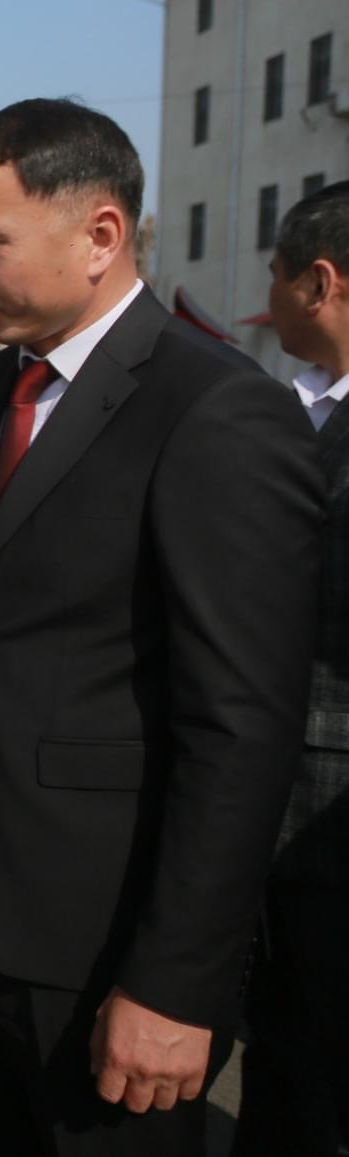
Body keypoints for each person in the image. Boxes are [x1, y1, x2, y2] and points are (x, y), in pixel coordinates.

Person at [0, 99, 320, 1156]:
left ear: (99, 234)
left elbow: (241, 728)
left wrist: (175, 981)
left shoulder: (214, 409)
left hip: (102, 944)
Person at [234, 178, 349, 1155]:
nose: (264, 298)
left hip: (328, 804)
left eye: (273, 275)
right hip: (269, 792)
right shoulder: (289, 408)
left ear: (317, 282)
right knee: (278, 1046)